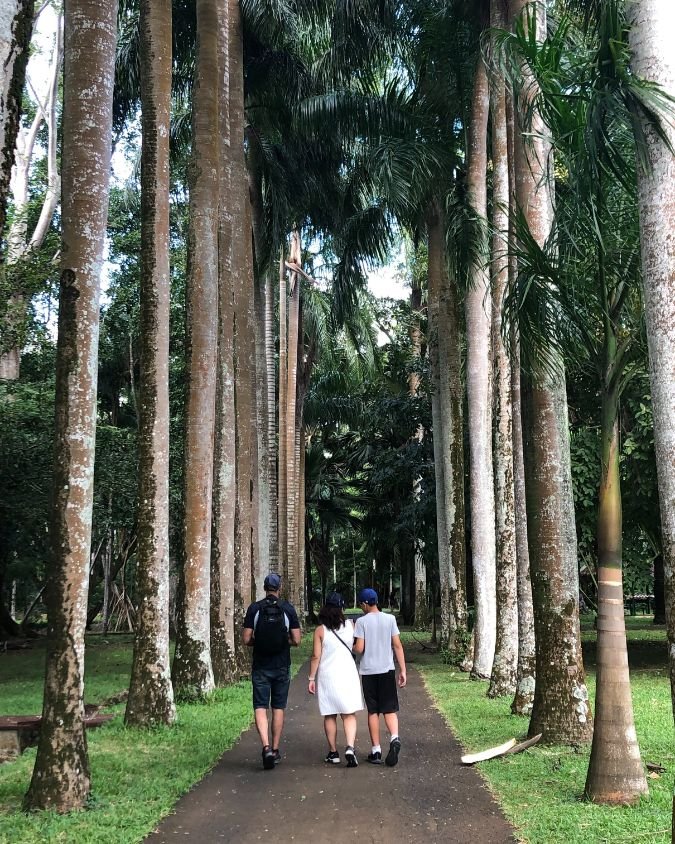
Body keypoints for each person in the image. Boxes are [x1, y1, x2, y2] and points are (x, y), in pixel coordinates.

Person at [243, 573, 301, 770]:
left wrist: (258, 642)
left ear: (265, 588)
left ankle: (265, 747)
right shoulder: (287, 609)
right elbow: (297, 640)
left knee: (260, 706)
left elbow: (246, 638)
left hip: (260, 665)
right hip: (282, 665)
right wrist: (284, 641)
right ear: (279, 588)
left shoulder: (255, 609)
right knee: (278, 707)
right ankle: (275, 750)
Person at [307, 592, 363, 767]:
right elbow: (357, 648)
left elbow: (316, 656)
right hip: (348, 672)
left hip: (327, 674)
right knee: (349, 714)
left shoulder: (320, 630)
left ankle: (333, 752)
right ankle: (350, 747)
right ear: (342, 608)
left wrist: (311, 678)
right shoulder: (351, 625)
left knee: (330, 714)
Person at [353, 587, 406, 767]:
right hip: (387, 670)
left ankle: (376, 750)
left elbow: (359, 648)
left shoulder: (361, 622)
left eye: (361, 604)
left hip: (369, 671)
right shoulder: (390, 619)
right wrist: (403, 670)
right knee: (389, 708)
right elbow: (397, 645)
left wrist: (352, 649)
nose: (361, 608)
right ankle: (394, 738)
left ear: (366, 604)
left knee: (373, 711)